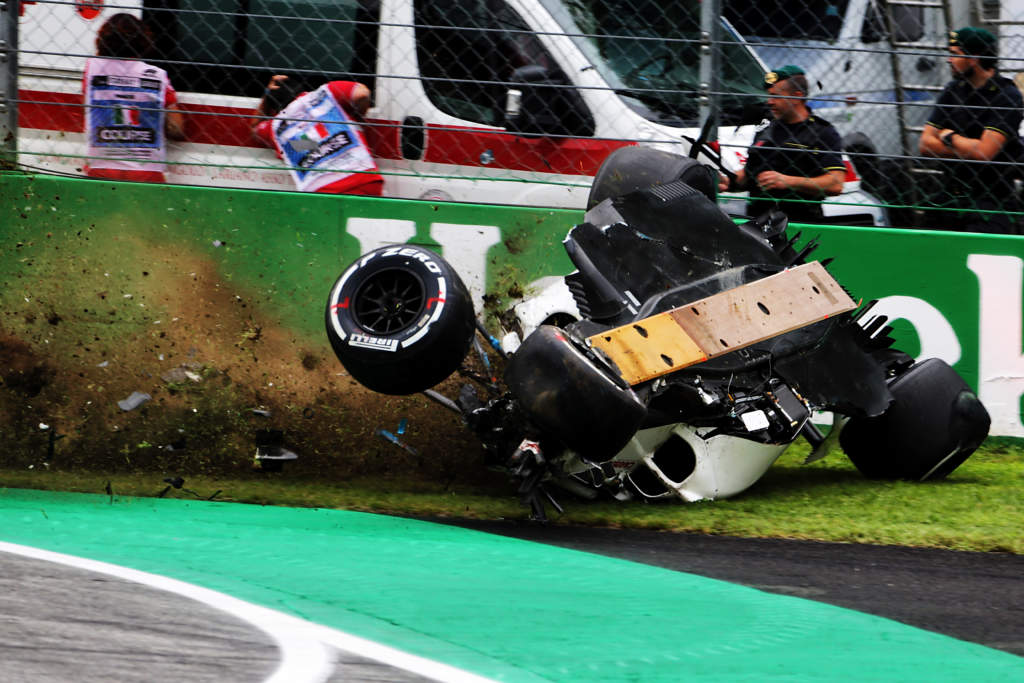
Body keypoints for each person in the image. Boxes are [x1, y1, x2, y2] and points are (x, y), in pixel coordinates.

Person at [918, 27, 1023, 234]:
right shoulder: (953, 90)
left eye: (955, 54)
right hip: (950, 192)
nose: (949, 60)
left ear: (974, 58)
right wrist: (969, 148)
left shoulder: (1007, 96)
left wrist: (950, 137)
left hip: (991, 197)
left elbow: (984, 153)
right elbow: (924, 145)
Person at [718, 65, 846, 223]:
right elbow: (749, 175)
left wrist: (788, 181)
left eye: (776, 96)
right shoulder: (766, 128)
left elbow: (836, 184)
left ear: (797, 96)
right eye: (769, 96)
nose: (769, 102)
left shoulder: (823, 132)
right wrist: (728, 181)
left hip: (801, 223)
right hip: (757, 224)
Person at [83, 13, 185, 183]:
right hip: (146, 172)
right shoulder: (157, 76)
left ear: (104, 39)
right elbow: (177, 129)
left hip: (102, 168)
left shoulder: (92, 69)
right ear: (143, 40)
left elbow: (87, 107)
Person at [251, 75, 383, 196]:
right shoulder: (328, 92)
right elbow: (362, 94)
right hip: (364, 179)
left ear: (274, 109)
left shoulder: (276, 128)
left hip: (323, 191)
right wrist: (357, 117)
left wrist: (267, 96)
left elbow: (255, 127)